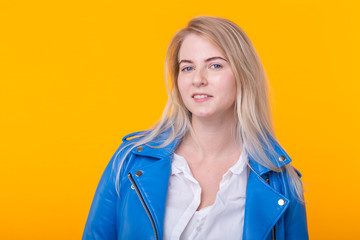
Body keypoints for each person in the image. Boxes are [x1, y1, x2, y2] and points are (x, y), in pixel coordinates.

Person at [82, 16, 308, 240]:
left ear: (243, 75)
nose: (198, 79)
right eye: (188, 68)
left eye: (215, 65)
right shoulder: (129, 161)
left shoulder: (280, 182)